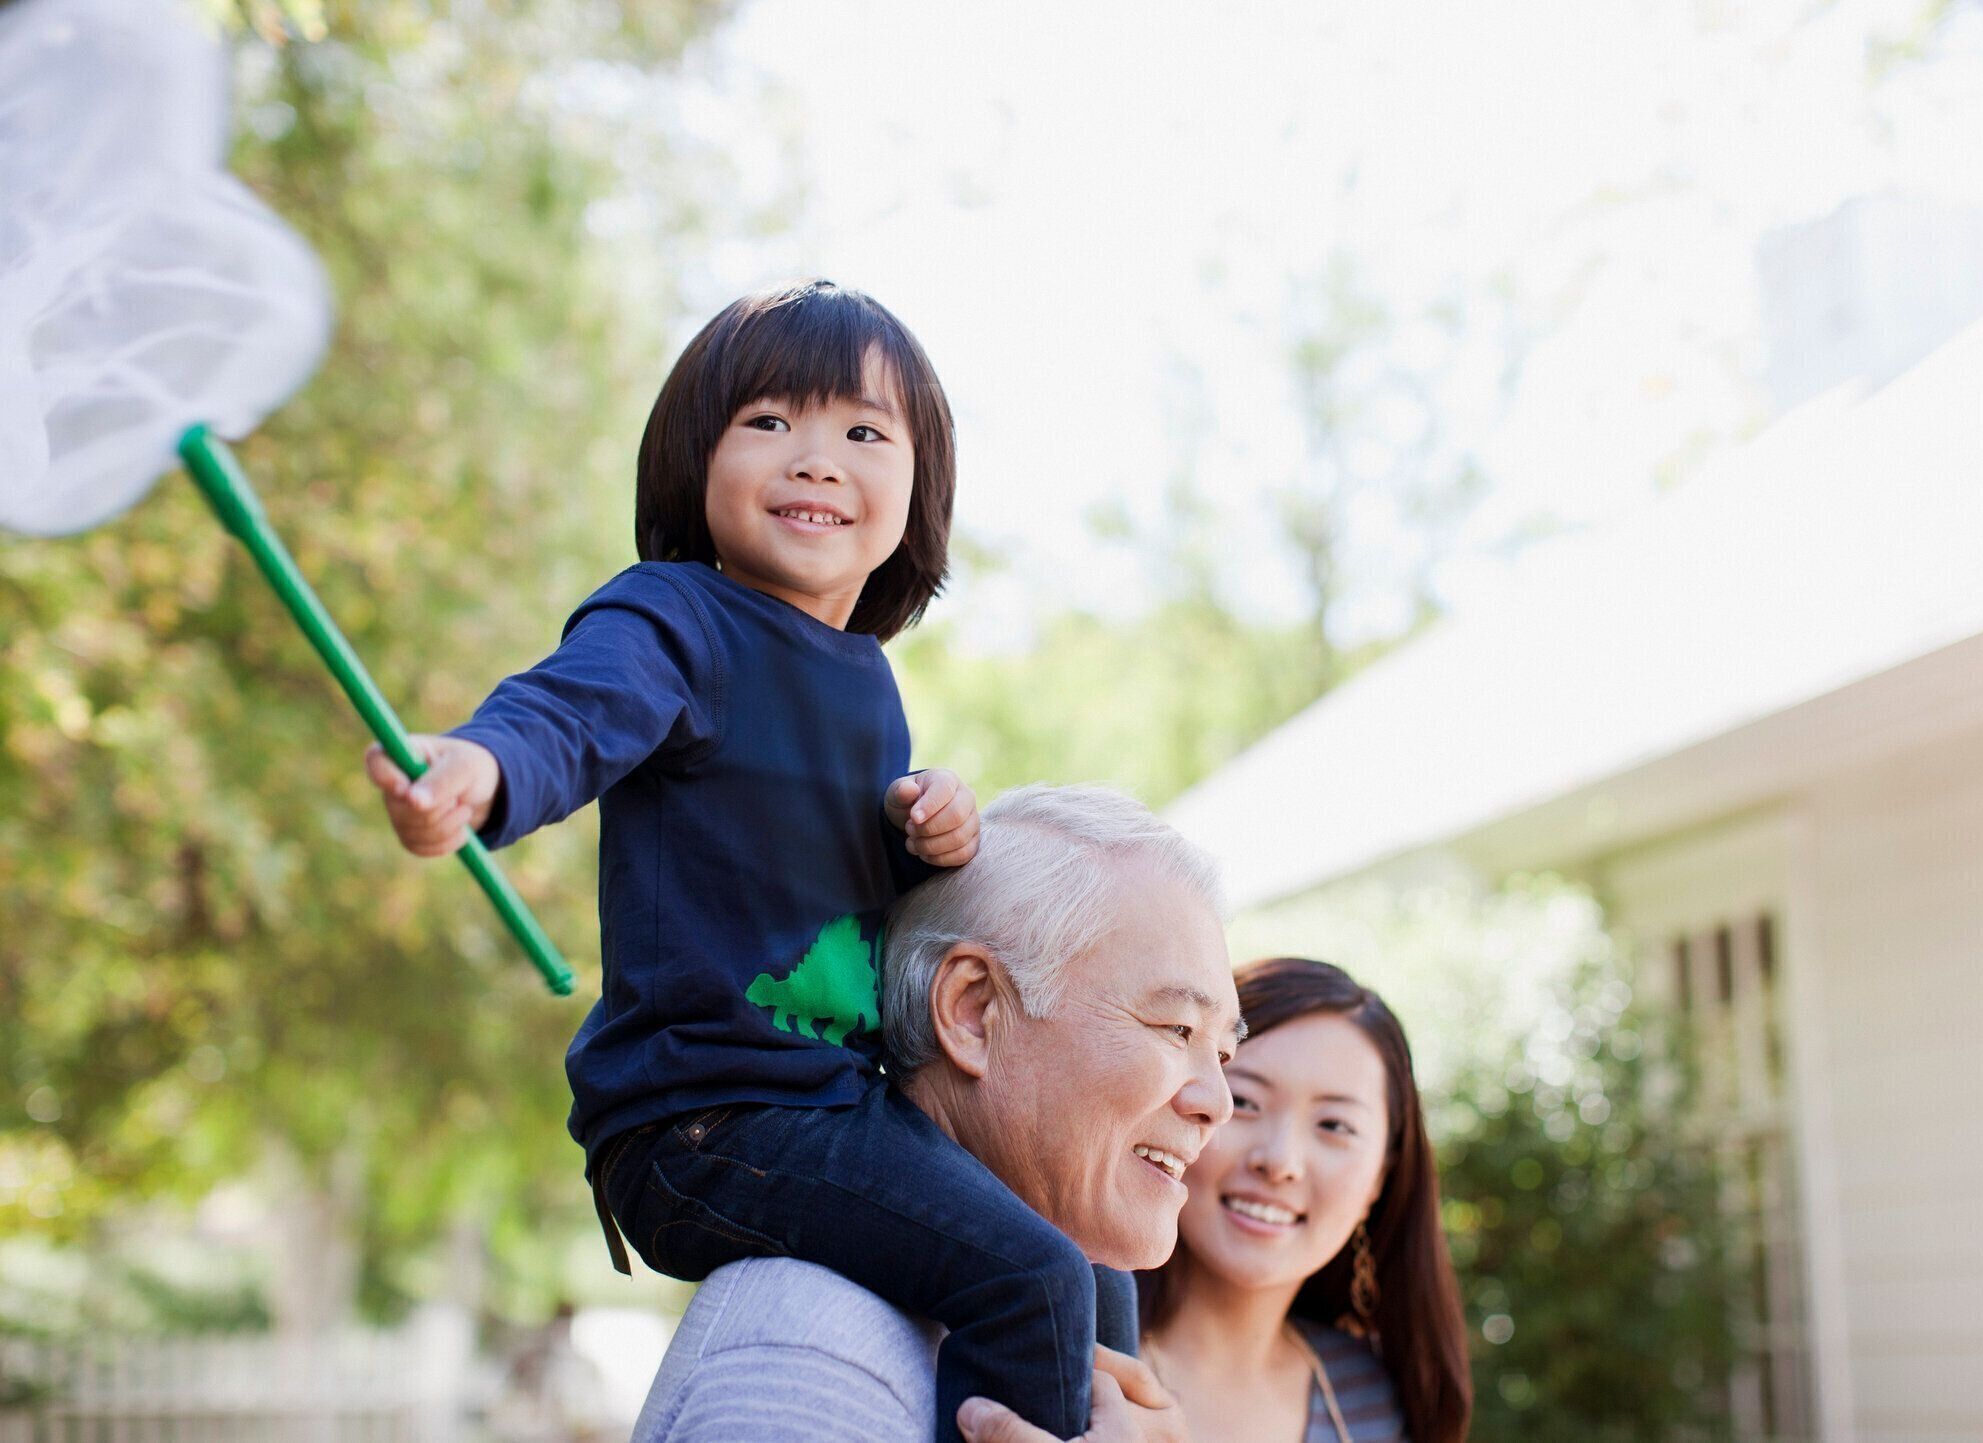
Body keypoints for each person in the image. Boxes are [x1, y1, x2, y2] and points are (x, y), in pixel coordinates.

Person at [360, 281, 1117, 1443]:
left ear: (919, 490)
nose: (816, 458)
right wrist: (483, 767)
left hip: (833, 1103)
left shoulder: (865, 679)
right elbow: (574, 710)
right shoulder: (674, 620)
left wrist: (930, 835)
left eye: (863, 433)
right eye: (768, 421)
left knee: (1091, 1245)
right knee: (1035, 1281)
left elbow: (840, 903)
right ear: (692, 460)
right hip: (705, 1123)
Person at [632, 783, 1242, 1443]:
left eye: (1224, 1053)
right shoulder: (807, 1361)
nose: (1219, 1103)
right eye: (1177, 1028)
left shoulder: (1069, 1313)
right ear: (974, 1011)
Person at [1137, 958, 1472, 1443]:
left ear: (1381, 1177)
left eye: (1334, 1125)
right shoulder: (1070, 1357)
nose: (1280, 1162)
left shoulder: (1375, 1399)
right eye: (1245, 1102)